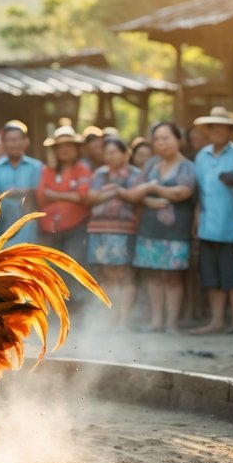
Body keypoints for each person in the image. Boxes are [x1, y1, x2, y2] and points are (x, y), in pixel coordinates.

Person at [123, 122, 197, 334]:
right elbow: (131, 193)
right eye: (157, 139)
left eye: (166, 138)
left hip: (175, 231)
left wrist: (153, 188)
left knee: (172, 277)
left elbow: (182, 193)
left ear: (178, 139)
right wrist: (148, 199)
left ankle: (171, 322)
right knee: (154, 275)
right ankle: (156, 321)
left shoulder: (187, 166)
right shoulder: (152, 164)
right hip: (149, 229)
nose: (161, 143)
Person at [191, 106, 233, 335]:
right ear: (208, 130)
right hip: (208, 225)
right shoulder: (201, 156)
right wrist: (197, 220)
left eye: (223, 126)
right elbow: (199, 193)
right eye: (214, 126)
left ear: (230, 130)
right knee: (211, 276)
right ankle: (217, 320)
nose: (218, 130)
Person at [87, 136, 142, 330]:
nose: (108, 156)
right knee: (107, 274)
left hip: (125, 230)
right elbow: (90, 197)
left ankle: (124, 320)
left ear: (125, 154)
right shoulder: (99, 173)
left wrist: (106, 192)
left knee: (124, 274)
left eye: (113, 152)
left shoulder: (136, 174)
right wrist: (117, 190)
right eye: (106, 153)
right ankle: (110, 317)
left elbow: (135, 197)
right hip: (99, 229)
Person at [36, 125, 93, 265]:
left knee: (73, 267)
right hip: (48, 229)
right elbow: (42, 196)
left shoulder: (82, 169)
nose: (64, 150)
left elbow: (83, 197)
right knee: (49, 269)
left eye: (68, 145)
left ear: (76, 148)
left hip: (76, 229)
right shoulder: (47, 171)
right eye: (60, 146)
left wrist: (55, 195)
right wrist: (69, 195)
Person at [0, 120, 43, 245]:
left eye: (18, 139)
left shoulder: (37, 166)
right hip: (4, 223)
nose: (14, 143)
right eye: (10, 140)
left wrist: (16, 192)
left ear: (25, 142)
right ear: (3, 143)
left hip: (30, 223)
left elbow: (39, 193)